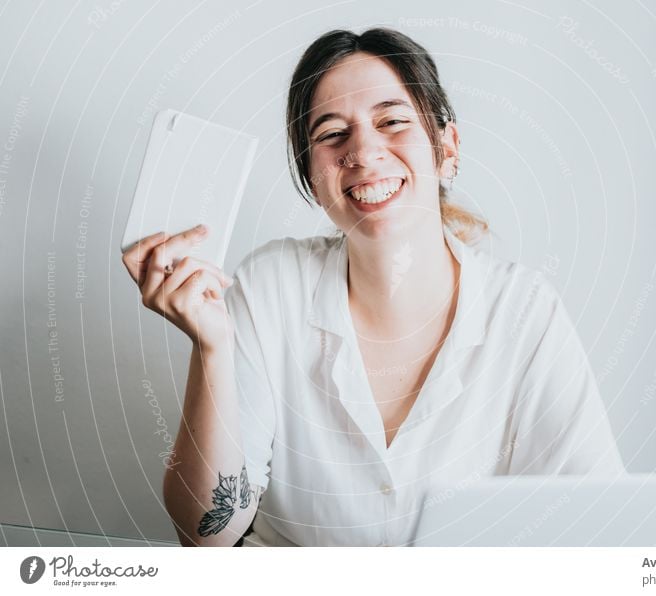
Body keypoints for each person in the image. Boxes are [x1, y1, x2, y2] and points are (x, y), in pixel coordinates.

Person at [122, 27, 624, 547]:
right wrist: (211, 345)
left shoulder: (524, 313)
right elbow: (207, 536)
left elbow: (594, 527)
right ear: (312, 177)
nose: (362, 151)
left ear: (446, 147)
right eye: (332, 133)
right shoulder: (269, 287)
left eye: (392, 122)